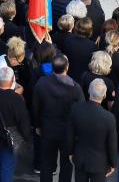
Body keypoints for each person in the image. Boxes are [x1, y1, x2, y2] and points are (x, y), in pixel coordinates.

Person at [33, 53, 85, 182]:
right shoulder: (75, 88)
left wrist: (37, 125)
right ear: (67, 67)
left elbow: (35, 107)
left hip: (47, 130)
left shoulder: (42, 83)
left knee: (46, 164)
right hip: (67, 133)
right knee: (66, 164)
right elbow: (80, 112)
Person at [67, 78, 117, 182]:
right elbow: (112, 144)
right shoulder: (109, 118)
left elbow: (70, 134)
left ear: (89, 91)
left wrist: (70, 152)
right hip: (99, 164)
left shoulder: (76, 109)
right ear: (104, 96)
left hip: (80, 159)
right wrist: (113, 163)